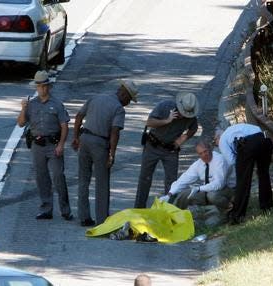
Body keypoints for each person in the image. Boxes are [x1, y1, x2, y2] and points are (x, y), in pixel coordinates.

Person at [72, 80, 138, 226]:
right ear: (124, 95)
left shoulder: (96, 97)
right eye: (129, 99)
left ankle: (84, 217)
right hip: (100, 144)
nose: (128, 103)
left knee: (83, 179)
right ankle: (102, 220)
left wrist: (76, 137)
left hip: (84, 140)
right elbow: (115, 132)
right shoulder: (118, 109)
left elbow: (78, 117)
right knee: (102, 183)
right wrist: (112, 154)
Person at [17, 70, 72, 220]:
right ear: (36, 87)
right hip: (37, 145)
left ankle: (65, 210)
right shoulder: (31, 104)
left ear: (49, 87)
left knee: (58, 176)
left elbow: (64, 126)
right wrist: (23, 108)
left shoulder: (57, 104)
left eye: (45, 86)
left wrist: (61, 145)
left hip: (53, 144)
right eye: (40, 86)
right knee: (41, 177)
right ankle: (46, 208)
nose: (43, 89)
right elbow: (21, 123)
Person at [134, 92, 199, 208]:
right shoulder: (165, 106)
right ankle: (139, 208)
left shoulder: (191, 118)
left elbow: (193, 129)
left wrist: (181, 140)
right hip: (152, 145)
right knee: (145, 178)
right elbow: (149, 122)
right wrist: (167, 120)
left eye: (186, 115)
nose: (183, 116)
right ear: (178, 106)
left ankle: (168, 209)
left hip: (170, 150)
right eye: (182, 113)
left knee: (172, 182)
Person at [214, 123, 273, 224]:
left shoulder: (222, 140)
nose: (216, 144)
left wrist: (243, 161)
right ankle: (266, 206)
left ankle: (237, 215)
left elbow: (232, 161)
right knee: (263, 174)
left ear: (217, 137)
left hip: (247, 144)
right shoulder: (234, 129)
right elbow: (257, 130)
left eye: (214, 141)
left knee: (243, 182)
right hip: (264, 139)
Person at [159, 138, 234, 213]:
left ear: (210, 149)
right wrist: (169, 194)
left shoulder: (219, 160)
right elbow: (183, 180)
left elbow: (219, 184)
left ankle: (229, 209)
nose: (204, 155)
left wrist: (199, 188)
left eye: (205, 151)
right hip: (207, 191)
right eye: (200, 153)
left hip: (226, 190)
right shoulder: (198, 164)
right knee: (184, 195)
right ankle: (173, 215)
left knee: (212, 195)